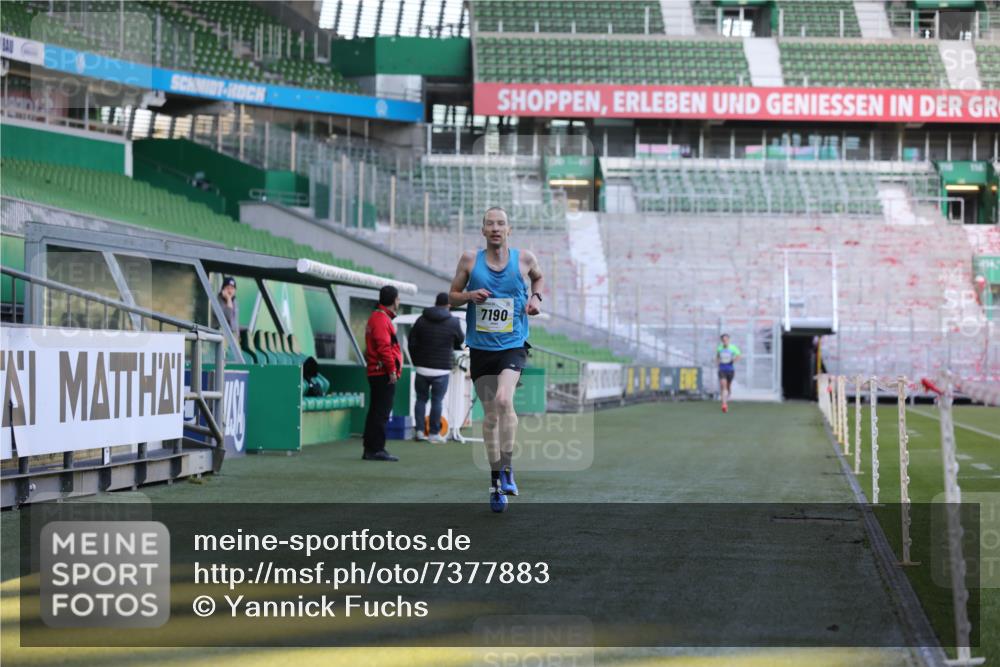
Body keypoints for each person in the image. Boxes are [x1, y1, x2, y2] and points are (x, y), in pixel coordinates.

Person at [449, 207, 543, 512]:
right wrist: (469, 295)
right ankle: (495, 483)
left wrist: (535, 298)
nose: (495, 228)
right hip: (481, 348)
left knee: (504, 401)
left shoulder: (524, 259)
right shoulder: (469, 259)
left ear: (509, 229)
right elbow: (451, 295)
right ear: (483, 230)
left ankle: (507, 468)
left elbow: (539, 280)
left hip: (513, 344)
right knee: (490, 418)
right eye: (490, 223)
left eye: (500, 223)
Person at [408, 292, 465, 443]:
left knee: (420, 399)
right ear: (449, 305)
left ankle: (419, 431)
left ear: (435, 302)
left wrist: (416, 361)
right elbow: (460, 340)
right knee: (437, 400)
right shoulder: (453, 322)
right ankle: (434, 433)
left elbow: (411, 342)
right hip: (442, 369)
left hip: (422, 368)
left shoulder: (421, 320)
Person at [362, 285, 403, 461]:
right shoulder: (380, 319)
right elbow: (384, 347)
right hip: (382, 373)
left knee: (376, 411)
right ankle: (376, 449)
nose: (399, 301)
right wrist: (391, 370)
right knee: (380, 412)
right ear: (394, 300)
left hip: (378, 371)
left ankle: (371, 448)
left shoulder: (379, 317)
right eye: (398, 298)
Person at [716, 333, 741, 413]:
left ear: (728, 340)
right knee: (723, 386)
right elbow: (718, 356)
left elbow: (738, 356)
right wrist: (717, 362)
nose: (725, 341)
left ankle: (727, 395)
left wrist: (733, 361)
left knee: (728, 386)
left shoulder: (733, 348)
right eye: (723, 340)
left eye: (726, 339)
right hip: (722, 369)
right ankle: (724, 404)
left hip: (730, 370)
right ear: (721, 341)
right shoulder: (719, 348)